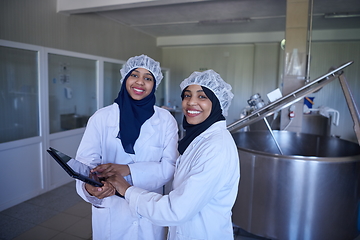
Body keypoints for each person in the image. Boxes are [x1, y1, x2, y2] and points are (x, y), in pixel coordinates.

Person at [96, 69, 240, 240]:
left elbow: (176, 209)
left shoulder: (216, 147)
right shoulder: (198, 139)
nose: (191, 102)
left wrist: (126, 188)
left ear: (217, 103)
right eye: (187, 95)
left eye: (202, 96)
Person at [73, 54, 179, 240]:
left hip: (148, 208)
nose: (140, 82)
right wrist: (91, 189)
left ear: (154, 84)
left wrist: (127, 169)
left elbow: (169, 167)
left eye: (148, 78)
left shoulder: (165, 120)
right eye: (134, 75)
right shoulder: (102, 117)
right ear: (125, 79)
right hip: (111, 211)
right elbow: (85, 164)